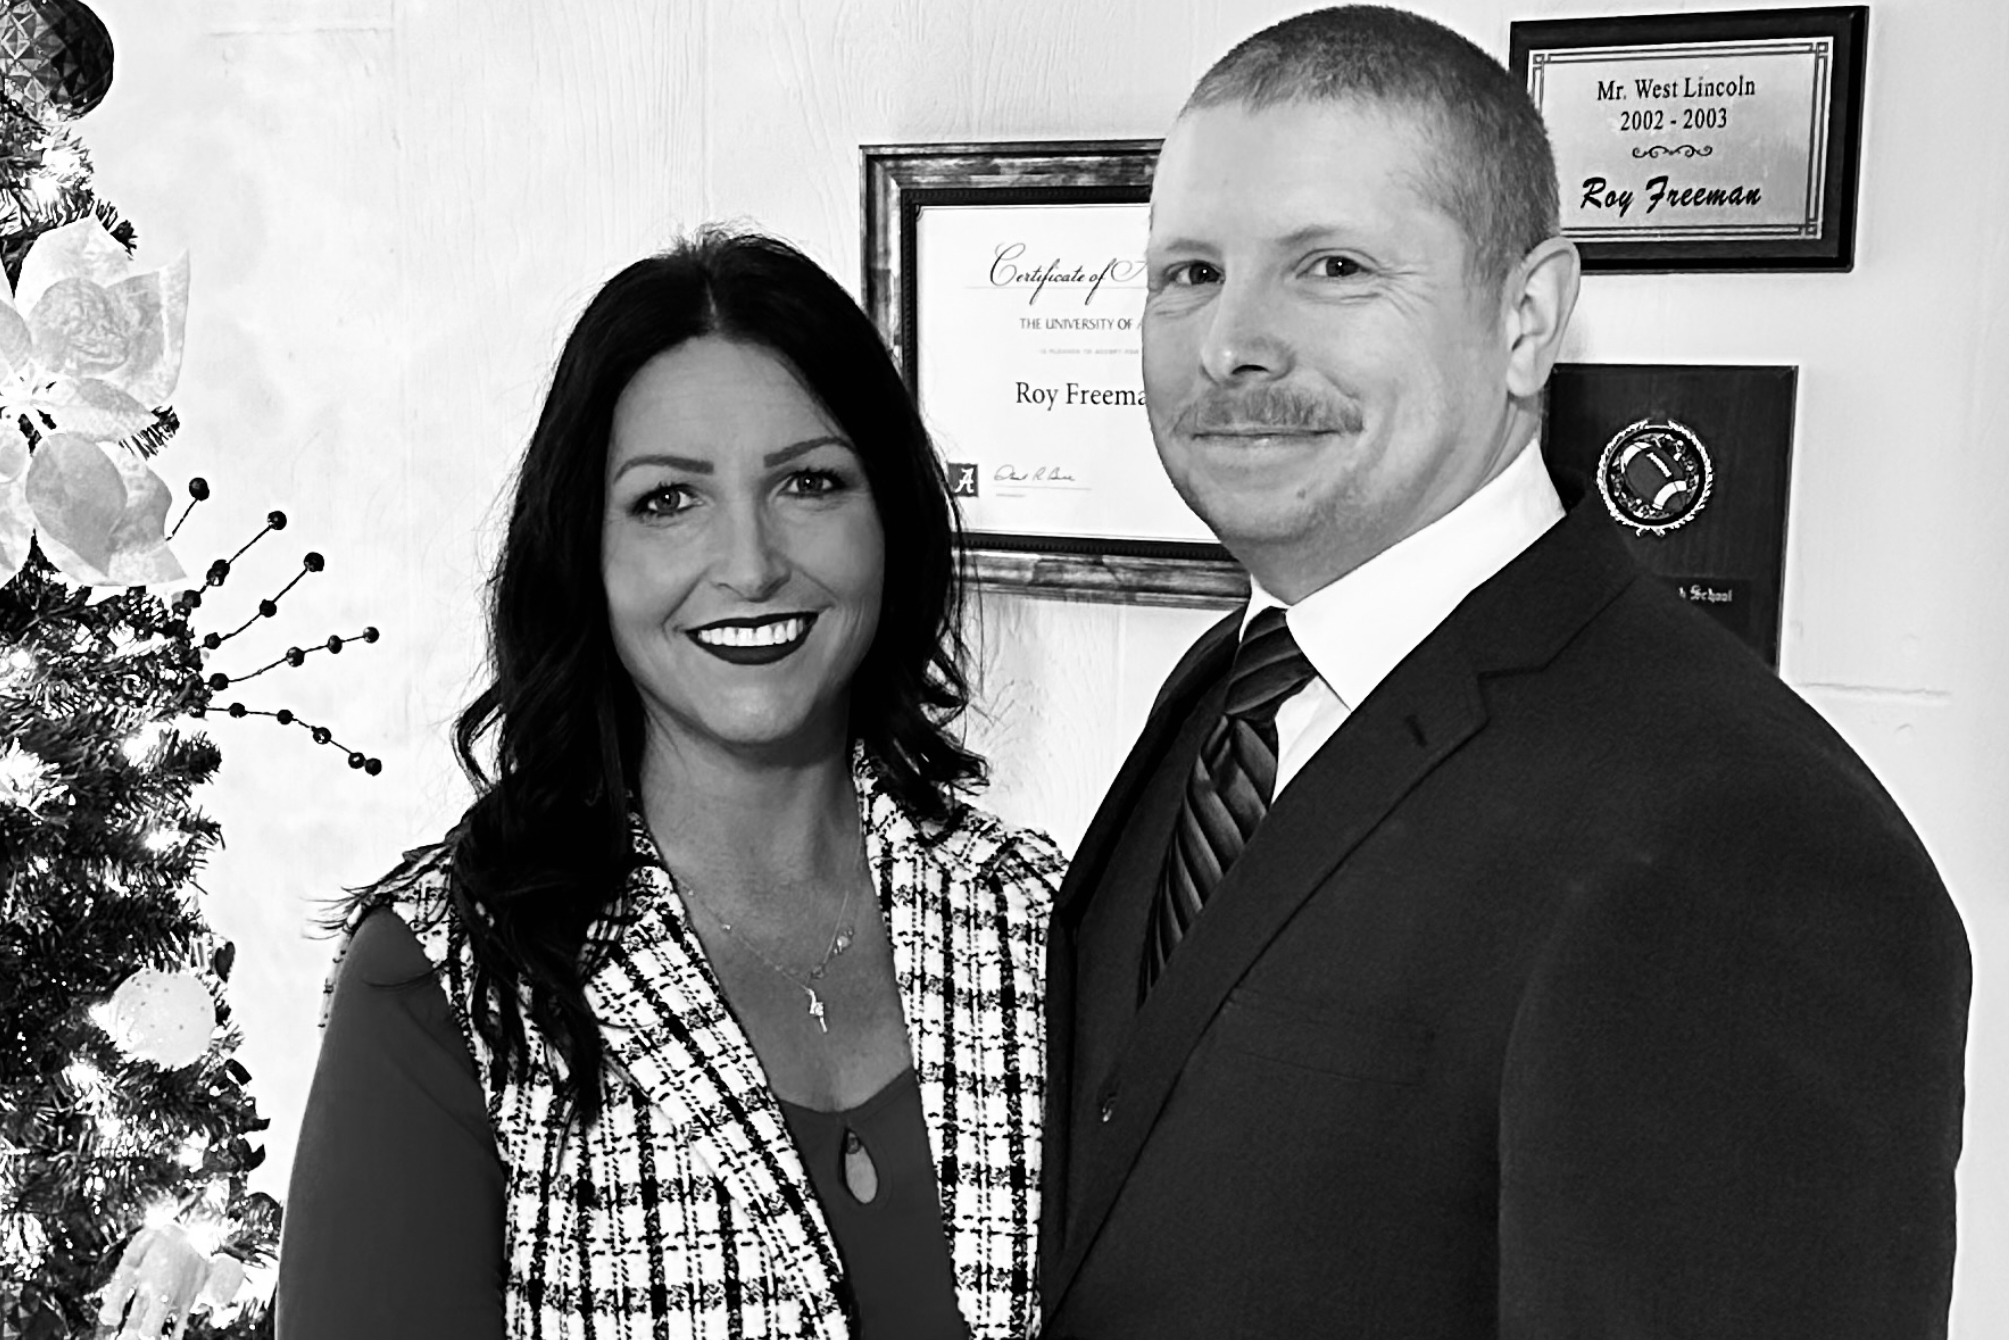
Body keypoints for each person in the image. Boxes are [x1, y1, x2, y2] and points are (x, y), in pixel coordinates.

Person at [1038, 7, 1971, 1338]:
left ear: (1525, 317)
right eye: (1188, 271)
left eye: (1332, 266)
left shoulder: (1741, 836)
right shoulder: (1232, 690)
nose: (1228, 341)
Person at [277, 229, 1060, 1339]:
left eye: (809, 483)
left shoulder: (1045, 920)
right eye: (667, 501)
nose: (749, 563)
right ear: (582, 552)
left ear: (888, 519)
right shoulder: (443, 982)